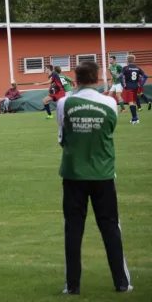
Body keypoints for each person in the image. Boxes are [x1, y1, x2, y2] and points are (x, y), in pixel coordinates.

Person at [56, 61, 132, 295]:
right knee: (110, 228)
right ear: (98, 77)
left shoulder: (64, 102)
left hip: (73, 174)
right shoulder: (109, 102)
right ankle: (121, 282)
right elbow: (109, 132)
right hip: (103, 175)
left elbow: (62, 138)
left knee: (73, 229)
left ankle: (73, 286)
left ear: (75, 79)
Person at [119, 54, 148, 124]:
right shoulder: (138, 68)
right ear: (134, 60)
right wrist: (141, 84)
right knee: (134, 102)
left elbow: (120, 76)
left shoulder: (125, 68)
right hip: (136, 86)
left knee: (130, 102)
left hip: (129, 87)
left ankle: (135, 119)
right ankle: (134, 118)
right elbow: (145, 76)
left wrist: (123, 84)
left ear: (127, 61)